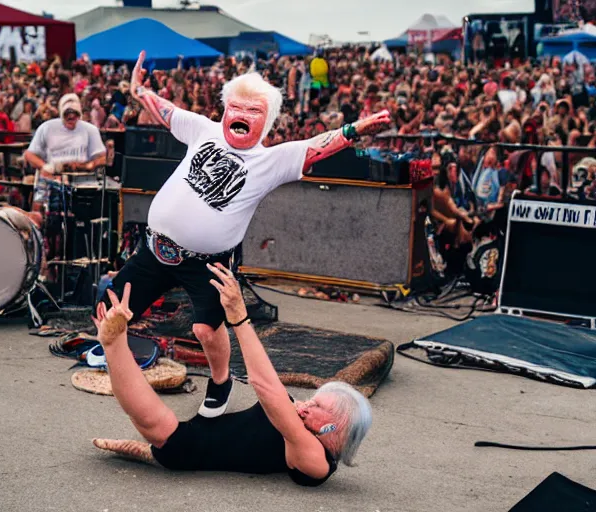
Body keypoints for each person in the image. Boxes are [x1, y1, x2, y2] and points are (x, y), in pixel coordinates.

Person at [100, 50, 391, 419]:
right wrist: (139, 89)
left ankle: (220, 382)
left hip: (209, 263)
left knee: (207, 329)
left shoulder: (272, 160)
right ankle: (118, 365)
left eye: (254, 112)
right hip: (154, 250)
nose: (241, 115)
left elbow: (318, 145)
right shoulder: (203, 130)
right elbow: (165, 110)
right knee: (110, 309)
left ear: (266, 121)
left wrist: (354, 131)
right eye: (236, 108)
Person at [91, 264, 372, 486]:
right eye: (314, 400)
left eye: (319, 407)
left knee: (152, 423)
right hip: (205, 427)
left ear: (333, 428)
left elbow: (265, 386)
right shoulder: (305, 425)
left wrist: (239, 317)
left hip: (183, 448)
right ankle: (215, 385)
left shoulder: (315, 461)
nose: (308, 404)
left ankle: (114, 345)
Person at [23, 92, 106, 222]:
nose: (70, 118)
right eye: (67, 115)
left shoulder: (90, 130)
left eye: (74, 115)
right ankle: (40, 230)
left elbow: (102, 157)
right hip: (51, 179)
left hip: (81, 182)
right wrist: (45, 166)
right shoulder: (47, 128)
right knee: (40, 200)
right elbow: (29, 155)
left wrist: (89, 165)